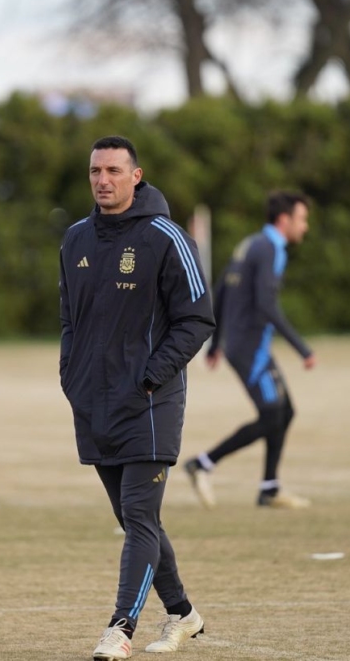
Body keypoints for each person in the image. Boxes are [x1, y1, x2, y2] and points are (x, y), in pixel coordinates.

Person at [59, 136, 216, 660]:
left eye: (113, 170)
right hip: (94, 403)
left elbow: (197, 319)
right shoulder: (75, 240)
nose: (103, 180)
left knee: (139, 515)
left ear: (136, 175)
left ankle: (119, 629)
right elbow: (69, 321)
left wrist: (152, 375)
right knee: (135, 520)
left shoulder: (166, 237)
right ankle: (183, 613)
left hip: (151, 403)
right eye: (95, 170)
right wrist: (71, 377)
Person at [183, 191, 315, 510]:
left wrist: (216, 344)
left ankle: (269, 487)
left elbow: (223, 288)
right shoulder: (271, 248)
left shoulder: (251, 244)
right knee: (272, 415)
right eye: (302, 219)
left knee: (284, 412)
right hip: (250, 348)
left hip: (242, 345)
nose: (305, 227)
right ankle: (203, 463)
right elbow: (266, 304)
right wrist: (301, 348)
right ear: (284, 220)